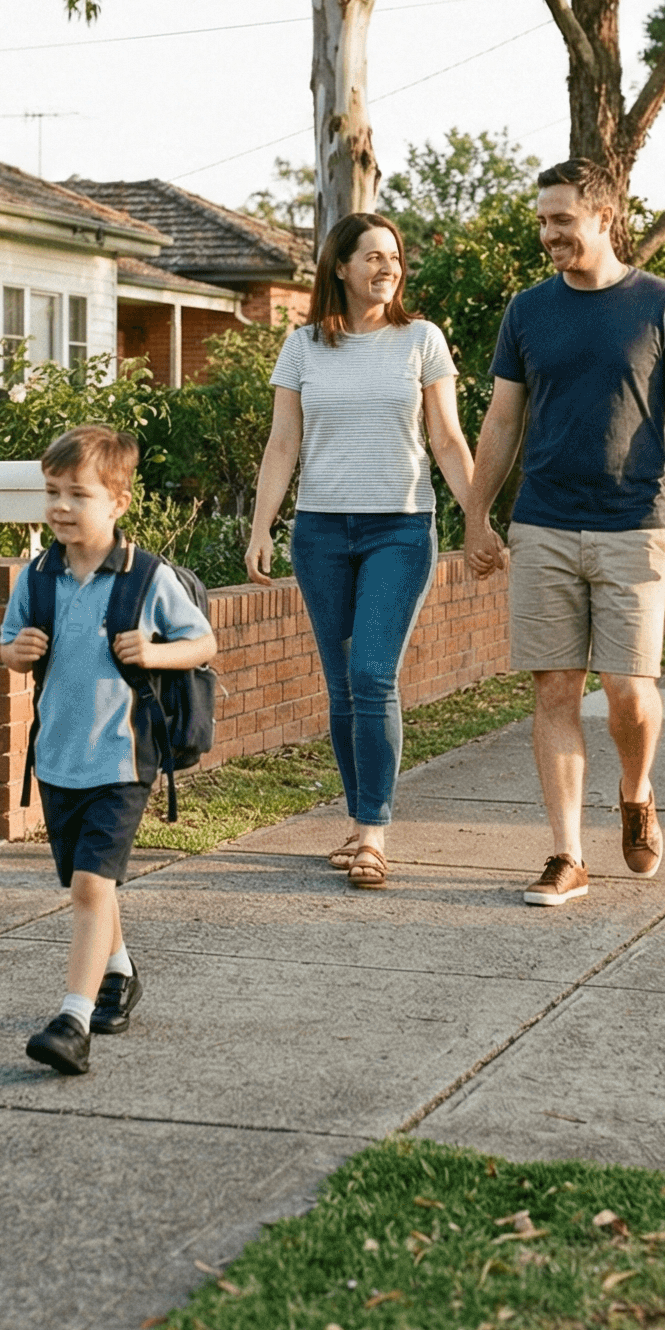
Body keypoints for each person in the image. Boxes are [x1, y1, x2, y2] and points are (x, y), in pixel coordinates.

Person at [463, 160, 665, 907]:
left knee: (630, 692)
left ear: (603, 217)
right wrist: (477, 513)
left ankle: (636, 791)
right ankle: (567, 853)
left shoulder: (661, 304)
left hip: (633, 524)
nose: (548, 234)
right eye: (543, 220)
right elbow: (502, 419)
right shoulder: (528, 312)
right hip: (542, 522)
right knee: (554, 688)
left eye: (561, 220)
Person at [245, 212, 475, 891]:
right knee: (342, 687)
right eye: (371, 256)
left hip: (399, 529)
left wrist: (479, 518)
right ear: (339, 267)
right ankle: (357, 822)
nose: (387, 267)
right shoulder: (304, 346)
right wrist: (262, 526)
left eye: (394, 257)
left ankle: (374, 831)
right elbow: (282, 443)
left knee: (373, 674)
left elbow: (448, 441)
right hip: (320, 532)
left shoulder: (422, 341)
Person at [0, 424, 216, 1074]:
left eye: (78, 494)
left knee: (92, 886)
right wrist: (17, 653)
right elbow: (7, 645)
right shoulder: (37, 577)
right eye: (53, 492)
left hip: (122, 762)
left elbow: (202, 643)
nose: (61, 506)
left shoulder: (146, 578)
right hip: (59, 760)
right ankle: (119, 970)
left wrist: (155, 651)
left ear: (118, 501)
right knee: (89, 884)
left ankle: (72, 1018)